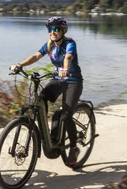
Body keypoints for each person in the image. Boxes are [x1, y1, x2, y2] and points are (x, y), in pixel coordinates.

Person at [9, 16, 84, 165]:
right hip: (58, 80)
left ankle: (74, 148)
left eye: (56, 29)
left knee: (65, 115)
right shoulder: (49, 45)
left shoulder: (70, 43)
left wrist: (65, 69)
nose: (53, 32)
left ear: (63, 30)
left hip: (73, 81)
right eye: (50, 29)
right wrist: (20, 65)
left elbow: (68, 57)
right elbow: (36, 56)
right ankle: (47, 131)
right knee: (41, 98)